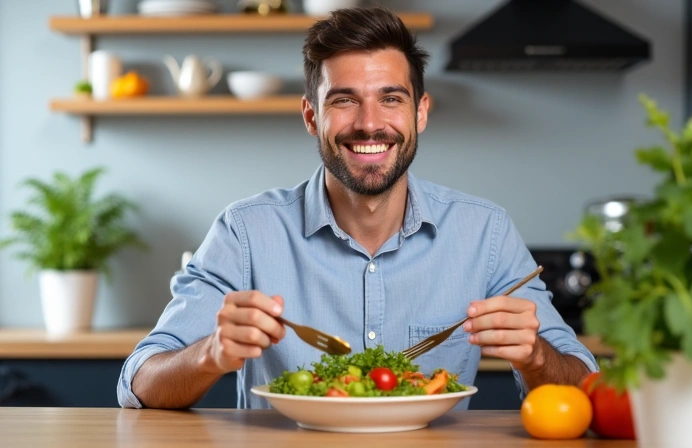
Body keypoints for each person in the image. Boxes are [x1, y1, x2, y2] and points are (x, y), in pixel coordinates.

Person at [117, 6, 597, 410]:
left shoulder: (484, 232)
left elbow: (587, 390)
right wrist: (211, 354)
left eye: (391, 99)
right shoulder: (246, 232)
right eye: (345, 100)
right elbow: (138, 385)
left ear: (420, 113)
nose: (370, 125)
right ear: (312, 116)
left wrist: (535, 355)